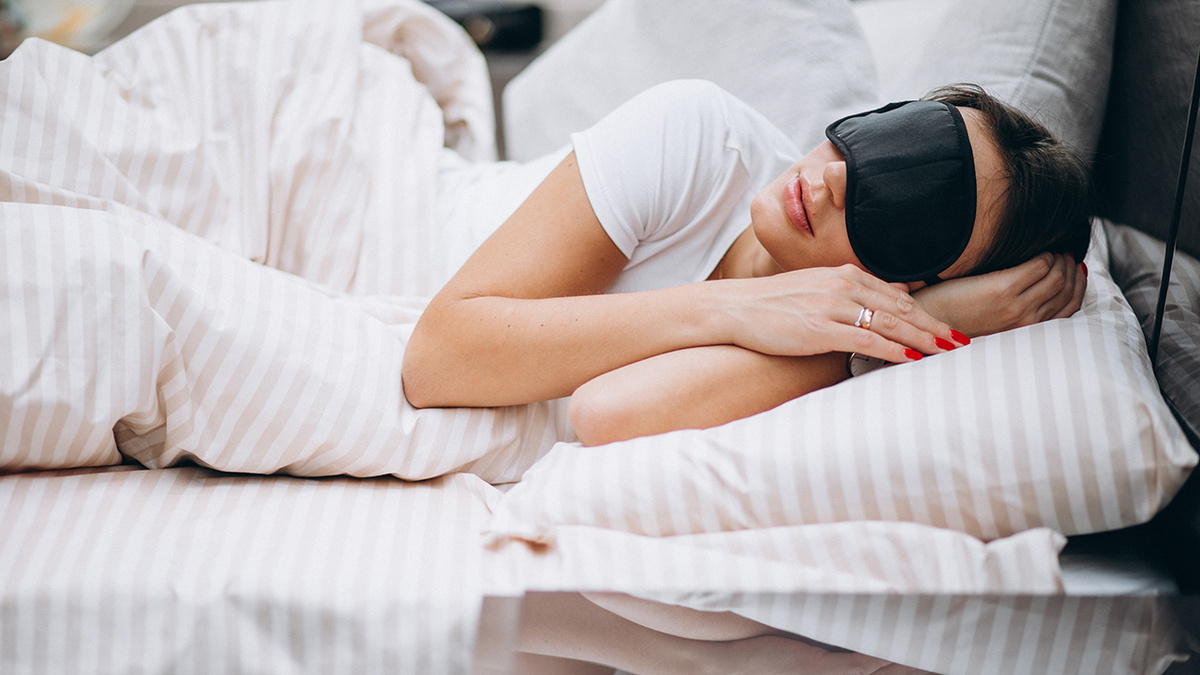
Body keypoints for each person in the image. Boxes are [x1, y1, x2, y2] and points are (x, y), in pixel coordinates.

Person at [402, 80, 1092, 446]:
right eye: (884, 144)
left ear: (906, 287)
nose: (833, 180)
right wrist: (738, 308)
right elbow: (438, 357)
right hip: (377, 202)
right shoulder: (700, 137)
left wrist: (896, 331)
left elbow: (605, 411)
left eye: (900, 208)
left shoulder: (823, 365)